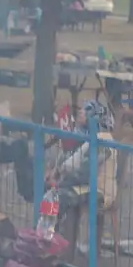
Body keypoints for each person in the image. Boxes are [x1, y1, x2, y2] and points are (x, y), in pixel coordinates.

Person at [48, 100, 118, 247]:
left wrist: (61, 181)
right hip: (89, 185)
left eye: (87, 111)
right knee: (52, 192)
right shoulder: (92, 138)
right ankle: (48, 236)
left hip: (99, 191)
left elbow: (85, 172)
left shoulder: (103, 141)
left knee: (57, 196)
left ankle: (52, 241)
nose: (80, 112)